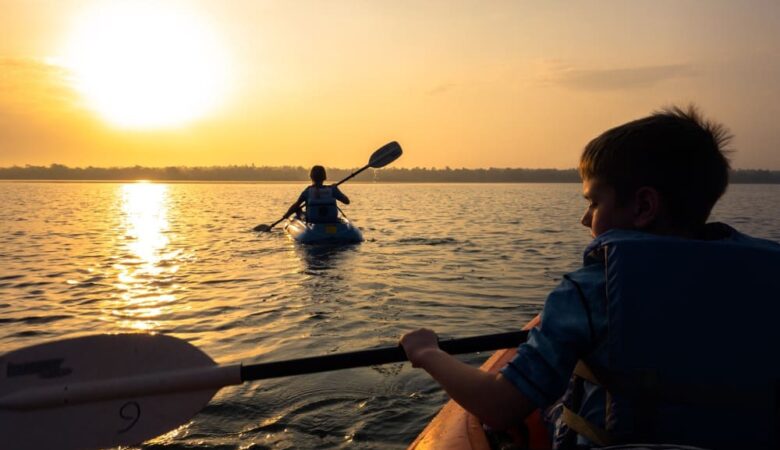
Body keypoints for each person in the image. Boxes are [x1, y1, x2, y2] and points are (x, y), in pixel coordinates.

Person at [400, 105, 780, 449]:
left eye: (594, 202)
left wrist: (428, 353)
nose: (585, 219)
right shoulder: (765, 279)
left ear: (643, 206)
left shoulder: (589, 293)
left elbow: (500, 408)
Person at [283, 165, 350, 223]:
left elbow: (296, 205)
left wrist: (287, 214)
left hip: (313, 220)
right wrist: (337, 189)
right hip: (331, 219)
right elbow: (347, 201)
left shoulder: (307, 191)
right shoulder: (332, 190)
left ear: (311, 177)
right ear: (324, 177)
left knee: (298, 210)